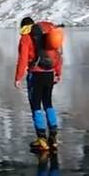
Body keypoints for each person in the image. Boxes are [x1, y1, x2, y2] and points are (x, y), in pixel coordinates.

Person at [14, 17, 63, 152]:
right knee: (48, 103)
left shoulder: (26, 38)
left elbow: (23, 59)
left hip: (35, 75)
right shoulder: (47, 35)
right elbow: (58, 55)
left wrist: (18, 77)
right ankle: (53, 138)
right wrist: (58, 73)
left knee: (36, 106)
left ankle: (41, 139)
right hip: (49, 73)